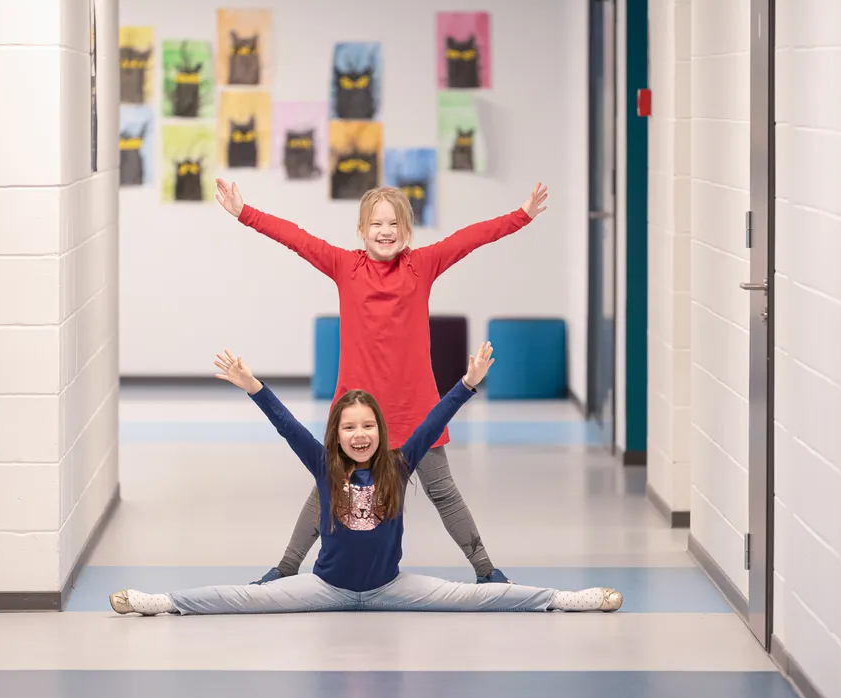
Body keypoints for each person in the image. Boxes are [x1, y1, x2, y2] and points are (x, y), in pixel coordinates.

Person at [109, 343, 623, 616]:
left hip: (393, 588)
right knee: (244, 599)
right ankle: (163, 602)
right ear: (337, 434)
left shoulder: (399, 465)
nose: (359, 435)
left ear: (380, 431)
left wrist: (466, 385)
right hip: (326, 589)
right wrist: (255, 387)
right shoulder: (324, 465)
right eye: (349, 428)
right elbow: (287, 424)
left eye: (368, 426)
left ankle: (565, 599)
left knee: (477, 597)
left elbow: (432, 422)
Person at [213, 177, 549, 587]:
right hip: (357, 414)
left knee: (443, 492)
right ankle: (285, 568)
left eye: (394, 225)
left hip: (416, 408)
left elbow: (469, 238)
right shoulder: (343, 266)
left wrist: (522, 216)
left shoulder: (421, 265)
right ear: (361, 230)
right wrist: (245, 213)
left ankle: (486, 570)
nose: (385, 232)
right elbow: (296, 238)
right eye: (376, 224)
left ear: (406, 233)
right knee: (326, 491)